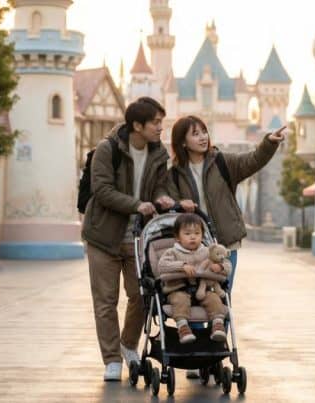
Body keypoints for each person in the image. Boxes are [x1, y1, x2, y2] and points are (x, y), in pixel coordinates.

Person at [168, 115, 285, 378]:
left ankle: (216, 352)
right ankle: (197, 355)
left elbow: (252, 160)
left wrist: (269, 143)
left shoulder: (222, 162)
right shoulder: (173, 174)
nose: (202, 137)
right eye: (195, 133)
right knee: (194, 295)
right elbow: (164, 202)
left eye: (204, 131)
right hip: (193, 246)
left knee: (222, 295)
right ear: (182, 141)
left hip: (225, 244)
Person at [82, 97, 175, 382]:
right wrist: (136, 204)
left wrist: (160, 196)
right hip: (103, 237)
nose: (161, 128)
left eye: (162, 122)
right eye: (156, 123)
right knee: (105, 301)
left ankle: (128, 344)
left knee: (141, 295)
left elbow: (159, 184)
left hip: (138, 239)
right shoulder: (107, 150)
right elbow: (102, 190)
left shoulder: (159, 153)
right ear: (137, 125)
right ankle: (111, 359)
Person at [157, 213, 231, 344]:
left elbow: (227, 264)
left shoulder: (208, 251)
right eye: (187, 234)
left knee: (214, 298)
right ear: (177, 237)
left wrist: (220, 267)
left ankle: (217, 325)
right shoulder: (172, 252)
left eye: (197, 233)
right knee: (179, 300)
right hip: (178, 289)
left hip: (203, 290)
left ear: (202, 235)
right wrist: (182, 266)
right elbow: (161, 266)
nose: (193, 237)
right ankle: (183, 327)